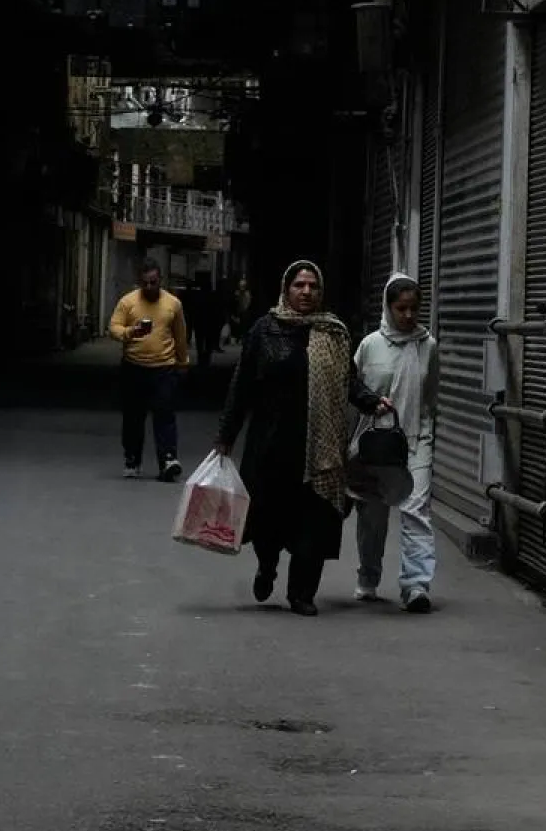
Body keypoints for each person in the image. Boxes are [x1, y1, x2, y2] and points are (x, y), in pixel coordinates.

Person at [214, 260, 390, 617]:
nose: (306, 292)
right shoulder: (264, 330)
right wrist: (226, 434)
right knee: (266, 519)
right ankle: (267, 566)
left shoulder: (334, 333)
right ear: (286, 288)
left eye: (312, 286)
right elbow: (242, 385)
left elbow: (348, 381)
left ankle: (302, 593)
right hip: (271, 444)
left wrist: (372, 401)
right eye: (299, 285)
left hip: (320, 446)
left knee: (314, 519)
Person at [353, 273, 440, 613]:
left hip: (415, 443)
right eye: (401, 308)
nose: (408, 315)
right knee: (372, 515)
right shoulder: (370, 345)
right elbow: (354, 394)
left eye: (413, 309)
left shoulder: (428, 346)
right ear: (388, 308)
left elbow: (431, 399)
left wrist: (426, 438)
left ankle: (416, 585)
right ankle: (369, 577)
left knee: (416, 512)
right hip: (374, 445)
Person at [109, 258, 190, 481]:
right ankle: (132, 458)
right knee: (133, 417)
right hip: (133, 368)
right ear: (139, 281)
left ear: (160, 280)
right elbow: (113, 327)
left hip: (164, 368)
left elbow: (180, 336)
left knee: (165, 415)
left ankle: (168, 459)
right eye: (145, 283)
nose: (149, 287)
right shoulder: (128, 302)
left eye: (153, 283)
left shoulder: (173, 304)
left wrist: (183, 363)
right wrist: (129, 332)